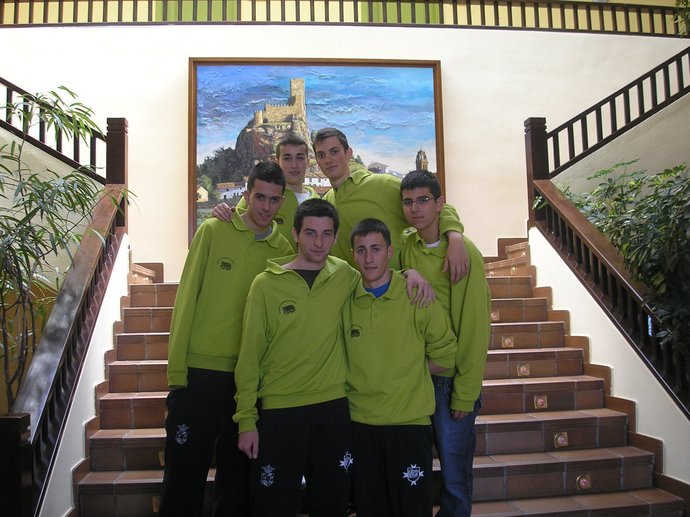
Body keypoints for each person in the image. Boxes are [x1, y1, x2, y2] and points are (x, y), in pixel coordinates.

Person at [159, 161, 293, 517]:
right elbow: (186, 297)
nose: (266, 206)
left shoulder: (283, 252)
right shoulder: (213, 230)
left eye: (274, 200)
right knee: (183, 476)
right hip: (199, 373)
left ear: (282, 202)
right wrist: (177, 371)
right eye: (260, 197)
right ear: (246, 195)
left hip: (248, 382)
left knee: (235, 484)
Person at [233, 198, 360, 517]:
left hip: (333, 408)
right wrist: (246, 419)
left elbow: (381, 280)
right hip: (280, 411)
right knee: (272, 505)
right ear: (295, 234)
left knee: (332, 505)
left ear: (335, 237)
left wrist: (411, 274)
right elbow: (249, 355)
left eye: (326, 234)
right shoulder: (265, 285)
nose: (319, 242)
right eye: (310, 233)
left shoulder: (345, 275)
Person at [343, 218, 456, 517]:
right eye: (361, 250)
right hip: (360, 424)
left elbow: (446, 355)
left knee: (413, 509)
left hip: (409, 424)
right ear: (352, 255)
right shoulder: (344, 299)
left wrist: (407, 372)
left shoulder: (416, 294)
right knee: (370, 509)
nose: (369, 258)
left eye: (376, 249)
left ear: (390, 251)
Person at [399, 170, 492, 517]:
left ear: (440, 204)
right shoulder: (406, 247)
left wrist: (465, 392)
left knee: (455, 480)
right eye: (408, 202)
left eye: (423, 200)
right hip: (417, 377)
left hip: (451, 380)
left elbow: (475, 327)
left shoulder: (464, 252)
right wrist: (406, 272)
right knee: (416, 472)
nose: (415, 209)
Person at [312, 127, 469, 280]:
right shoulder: (326, 203)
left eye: (334, 152)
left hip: (396, 290)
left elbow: (436, 207)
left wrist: (455, 238)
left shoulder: (381, 185)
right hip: (352, 294)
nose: (328, 160)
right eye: (321, 155)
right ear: (317, 161)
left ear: (348, 153)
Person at [213, 135, 320, 248]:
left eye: (300, 158)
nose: (294, 165)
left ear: (308, 162)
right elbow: (234, 221)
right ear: (277, 162)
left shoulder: (318, 202)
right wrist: (221, 212)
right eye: (287, 158)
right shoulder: (259, 196)